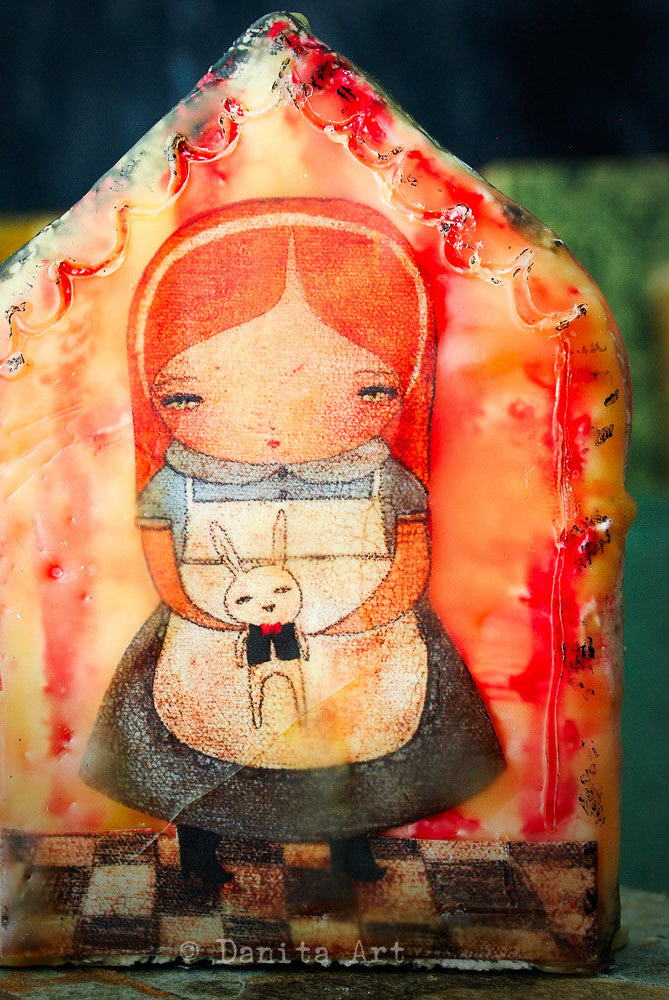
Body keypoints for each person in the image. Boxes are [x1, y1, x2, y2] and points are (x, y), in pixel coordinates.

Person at [80, 197, 505, 885]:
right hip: (212, 635)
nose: (274, 424)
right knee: (202, 735)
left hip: (363, 636)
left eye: (365, 390)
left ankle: (349, 847)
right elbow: (159, 546)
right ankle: (200, 851)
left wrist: (375, 611)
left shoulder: (385, 479)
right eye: (191, 396)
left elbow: (412, 550)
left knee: (354, 734)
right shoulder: (176, 483)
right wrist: (193, 607)